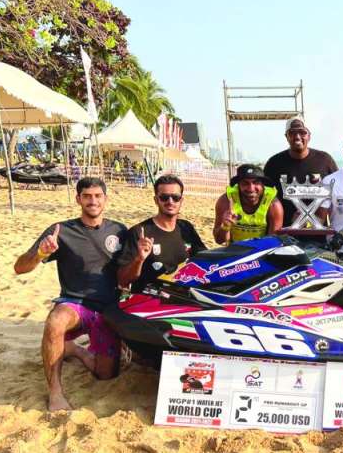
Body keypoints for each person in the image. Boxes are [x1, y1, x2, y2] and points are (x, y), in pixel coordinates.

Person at [13, 177, 126, 411]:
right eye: (87, 196)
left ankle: (74, 349)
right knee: (56, 321)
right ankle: (55, 392)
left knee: (105, 374)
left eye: (98, 196)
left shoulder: (119, 230)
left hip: (107, 309)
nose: (93, 201)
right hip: (75, 303)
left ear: (105, 199)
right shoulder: (60, 231)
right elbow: (20, 267)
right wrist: (40, 254)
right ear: (78, 199)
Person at [118, 174, 207, 292]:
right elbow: (122, 280)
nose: (170, 201)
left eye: (175, 197)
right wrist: (139, 259)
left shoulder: (186, 228)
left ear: (181, 200)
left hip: (184, 299)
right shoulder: (139, 232)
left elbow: (205, 260)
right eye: (164, 197)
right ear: (156, 200)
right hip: (151, 300)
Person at [263, 117, 338, 226]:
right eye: (292, 133)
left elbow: (338, 190)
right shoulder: (274, 163)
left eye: (302, 132)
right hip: (285, 230)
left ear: (309, 136)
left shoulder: (325, 160)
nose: (297, 137)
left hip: (319, 231)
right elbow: (264, 197)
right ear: (286, 137)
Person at [213, 164, 283, 244]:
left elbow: (272, 243)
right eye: (245, 183)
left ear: (263, 185)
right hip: (234, 249)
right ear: (238, 185)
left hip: (262, 249)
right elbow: (219, 240)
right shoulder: (226, 201)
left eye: (256, 183)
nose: (251, 189)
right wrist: (225, 226)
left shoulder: (273, 205)